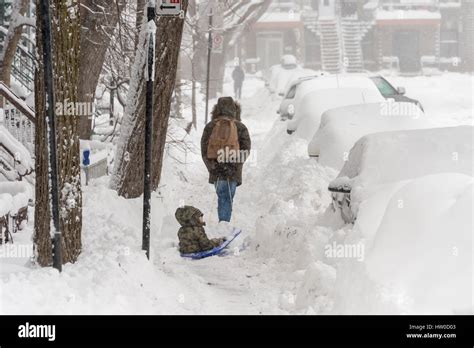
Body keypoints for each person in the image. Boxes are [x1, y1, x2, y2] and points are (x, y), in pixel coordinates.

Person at [201, 97, 251, 223]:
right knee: (228, 198)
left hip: (216, 169)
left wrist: (212, 167)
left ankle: (223, 223)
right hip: (233, 171)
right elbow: (246, 149)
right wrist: (235, 164)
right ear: (235, 109)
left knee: (222, 196)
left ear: (217, 109)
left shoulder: (211, 126)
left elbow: (204, 150)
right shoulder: (240, 127)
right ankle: (224, 224)